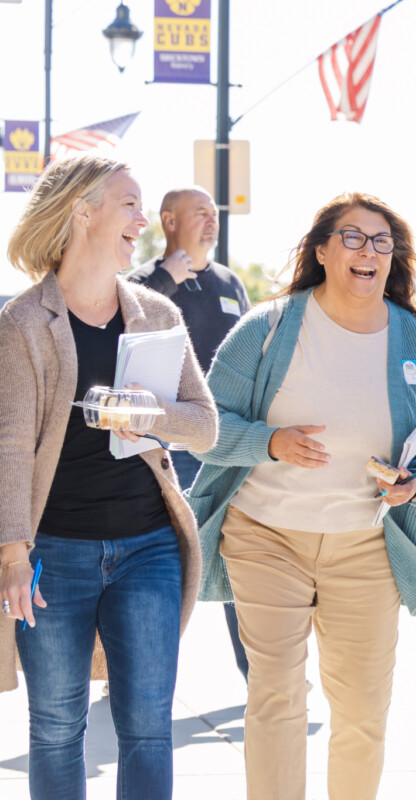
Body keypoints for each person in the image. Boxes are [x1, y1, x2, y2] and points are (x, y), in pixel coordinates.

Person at [188, 192, 416, 800]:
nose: (369, 251)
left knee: (364, 710)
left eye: (382, 242)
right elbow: (205, 426)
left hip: (366, 547)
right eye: (353, 238)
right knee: (276, 695)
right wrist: (270, 443)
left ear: (394, 259)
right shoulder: (268, 326)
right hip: (265, 537)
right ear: (322, 251)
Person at [0, 154, 218, 798]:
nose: (144, 219)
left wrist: (151, 415)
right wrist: (11, 552)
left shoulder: (158, 314)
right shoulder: (21, 323)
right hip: (54, 554)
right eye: (130, 203)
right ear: (82, 210)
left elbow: (204, 425)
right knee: (55, 729)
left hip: (149, 547)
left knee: (148, 729)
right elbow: (9, 444)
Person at [128, 185, 252, 681]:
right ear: (169, 220)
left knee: (237, 551)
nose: (212, 219)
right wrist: (165, 278)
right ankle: (136, 670)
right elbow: (127, 331)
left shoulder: (229, 282)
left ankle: (257, 671)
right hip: (164, 448)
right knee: (163, 559)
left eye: (215, 212)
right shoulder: (141, 281)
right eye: (200, 212)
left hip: (223, 441)